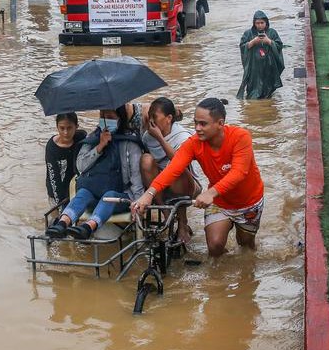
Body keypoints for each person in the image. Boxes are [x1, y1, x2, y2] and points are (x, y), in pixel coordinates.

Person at [132, 98, 264, 257]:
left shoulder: (241, 137)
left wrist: (210, 193)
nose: (197, 128)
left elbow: (239, 173)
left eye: (203, 124)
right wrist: (148, 194)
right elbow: (173, 168)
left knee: (246, 247)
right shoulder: (194, 143)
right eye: (195, 123)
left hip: (248, 202)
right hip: (220, 203)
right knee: (214, 247)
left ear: (220, 123)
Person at [45, 106, 145, 239]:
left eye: (110, 118)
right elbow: (80, 166)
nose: (105, 120)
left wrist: (138, 203)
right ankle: (62, 223)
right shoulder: (93, 138)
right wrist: (100, 146)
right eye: (102, 116)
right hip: (94, 190)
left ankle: (88, 227)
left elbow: (136, 179)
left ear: (120, 119)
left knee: (108, 196)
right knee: (83, 193)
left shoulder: (129, 143)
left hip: (121, 195)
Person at [140, 97, 202, 244]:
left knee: (176, 170)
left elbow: (178, 162)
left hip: (185, 184)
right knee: (146, 159)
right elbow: (149, 167)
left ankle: (182, 223)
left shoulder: (183, 136)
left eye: (155, 117)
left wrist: (161, 139)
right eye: (150, 117)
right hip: (159, 187)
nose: (151, 121)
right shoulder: (147, 137)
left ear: (168, 118)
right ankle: (167, 215)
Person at [236, 10, 285, 99]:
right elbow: (242, 47)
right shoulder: (248, 33)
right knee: (252, 92)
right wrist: (253, 42)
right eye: (257, 23)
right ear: (254, 23)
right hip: (253, 68)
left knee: (268, 91)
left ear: (266, 22)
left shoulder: (272, 32)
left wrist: (269, 41)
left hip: (269, 66)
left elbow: (279, 46)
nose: (260, 25)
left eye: (262, 23)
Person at [44, 113, 88, 210]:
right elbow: (54, 178)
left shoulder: (81, 138)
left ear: (76, 127)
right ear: (57, 127)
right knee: (59, 218)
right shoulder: (52, 148)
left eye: (69, 128)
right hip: (56, 191)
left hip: (76, 187)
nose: (66, 133)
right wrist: (60, 204)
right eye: (62, 128)